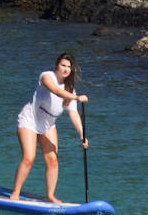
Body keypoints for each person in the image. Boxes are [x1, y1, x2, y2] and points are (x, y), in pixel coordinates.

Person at [10, 52, 89, 202]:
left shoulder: (70, 89)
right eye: (63, 65)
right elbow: (57, 91)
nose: (65, 69)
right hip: (30, 119)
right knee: (29, 157)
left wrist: (82, 134)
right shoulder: (46, 76)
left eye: (69, 67)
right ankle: (15, 193)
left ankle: (50, 195)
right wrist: (77, 98)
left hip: (48, 123)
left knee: (52, 159)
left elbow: (73, 114)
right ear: (57, 66)